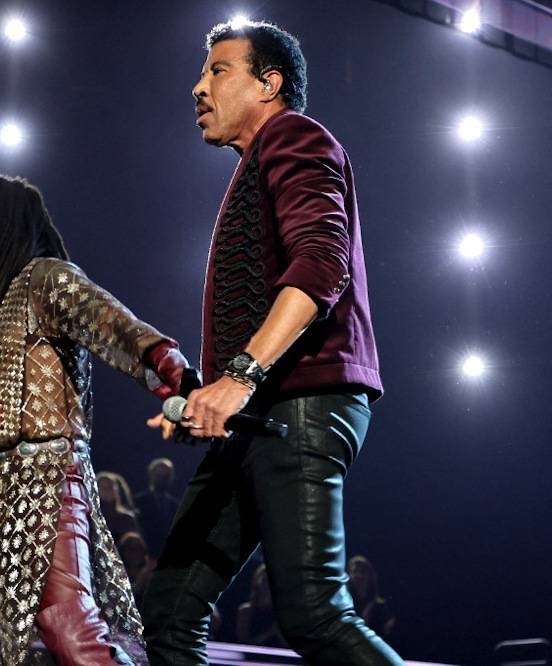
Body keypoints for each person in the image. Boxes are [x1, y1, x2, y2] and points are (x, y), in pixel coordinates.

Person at [141, 21, 402, 665]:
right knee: (169, 614)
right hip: (258, 416)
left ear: (269, 83)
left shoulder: (294, 135)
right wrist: (208, 399)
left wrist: (239, 377)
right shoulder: (257, 163)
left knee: (314, 614)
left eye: (217, 70)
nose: (198, 87)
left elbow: (321, 263)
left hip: (300, 406)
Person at [0, 174, 190, 665]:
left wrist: (183, 382)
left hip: (45, 479)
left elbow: (118, 327)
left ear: (10, 221)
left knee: (68, 625)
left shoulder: (46, 278)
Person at [133, 457, 180, 558]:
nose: (161, 479)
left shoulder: (175, 505)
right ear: (151, 475)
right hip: (145, 555)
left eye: (165, 476)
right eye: (158, 475)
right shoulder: (139, 501)